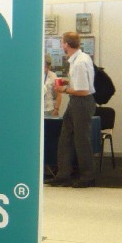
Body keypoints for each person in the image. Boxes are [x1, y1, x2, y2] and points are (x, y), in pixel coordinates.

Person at [47, 31, 97, 188]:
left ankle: (87, 177)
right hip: (76, 102)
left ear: (66, 45)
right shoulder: (80, 59)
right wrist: (67, 82)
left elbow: (83, 91)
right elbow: (80, 84)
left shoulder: (80, 62)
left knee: (81, 140)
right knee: (65, 138)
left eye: (62, 42)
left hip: (81, 102)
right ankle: (63, 175)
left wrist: (63, 90)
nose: (62, 45)